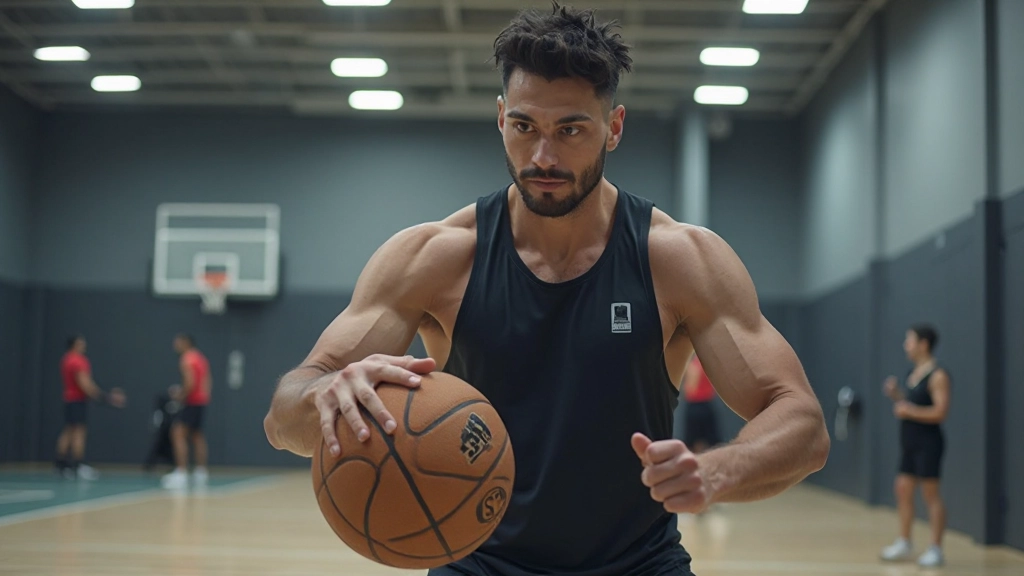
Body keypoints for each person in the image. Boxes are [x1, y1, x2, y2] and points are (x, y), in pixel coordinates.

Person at [263, 5, 829, 575]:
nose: (544, 157)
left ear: (615, 127)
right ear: (501, 117)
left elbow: (802, 423)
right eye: (525, 127)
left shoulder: (678, 259)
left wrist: (715, 471)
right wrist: (326, 393)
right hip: (476, 561)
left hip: (637, 563)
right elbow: (282, 419)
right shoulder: (433, 258)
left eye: (571, 130)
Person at [880, 324, 950, 568]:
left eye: (909, 340)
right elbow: (910, 406)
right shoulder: (914, 373)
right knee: (902, 489)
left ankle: (936, 548)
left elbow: (940, 412)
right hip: (909, 442)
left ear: (923, 344)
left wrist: (909, 410)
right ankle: (905, 541)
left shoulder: (937, 375)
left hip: (928, 443)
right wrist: (897, 395)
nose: (905, 345)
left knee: (930, 494)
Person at [55, 335, 125, 480]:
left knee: (68, 431)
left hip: (69, 401)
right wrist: (107, 398)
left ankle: (61, 465)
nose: (84, 345)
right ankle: (78, 466)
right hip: (77, 401)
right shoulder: (78, 361)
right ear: (74, 345)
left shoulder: (66, 359)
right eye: (81, 343)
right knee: (78, 432)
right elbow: (85, 384)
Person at [161, 334, 211, 490]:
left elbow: (190, 383)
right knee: (197, 435)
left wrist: (180, 396)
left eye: (177, 341)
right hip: (201, 401)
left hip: (192, 401)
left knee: (177, 433)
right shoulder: (200, 358)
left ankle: (181, 473)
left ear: (185, 343)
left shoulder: (187, 359)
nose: (175, 344)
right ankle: (201, 471)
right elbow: (207, 381)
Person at [681, 354, 720, 455]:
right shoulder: (709, 366)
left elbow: (691, 388)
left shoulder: (693, 366)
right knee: (711, 441)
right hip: (706, 405)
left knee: (692, 441)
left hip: (695, 405)